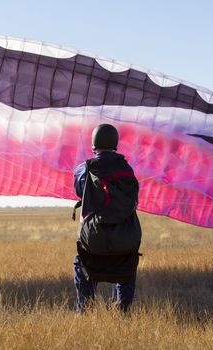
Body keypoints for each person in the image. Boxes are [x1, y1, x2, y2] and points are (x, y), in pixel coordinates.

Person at [73, 124, 142, 313]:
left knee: (83, 263)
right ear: (115, 143)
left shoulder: (84, 169)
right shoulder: (127, 170)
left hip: (94, 238)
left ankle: (84, 312)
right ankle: (123, 311)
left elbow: (79, 191)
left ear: (94, 144)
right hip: (125, 236)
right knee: (125, 266)